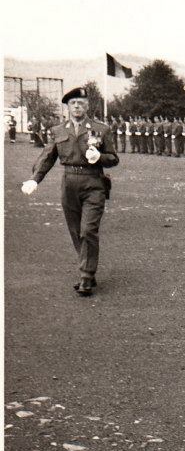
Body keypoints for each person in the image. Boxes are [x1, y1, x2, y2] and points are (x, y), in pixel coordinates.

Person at [21, 87, 119, 296]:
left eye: (81, 102)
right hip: (69, 183)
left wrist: (99, 158)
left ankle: (85, 276)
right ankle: (88, 270)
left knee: (88, 230)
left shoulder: (101, 129)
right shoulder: (58, 131)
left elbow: (113, 158)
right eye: (73, 103)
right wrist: (34, 179)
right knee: (76, 232)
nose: (77, 106)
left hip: (94, 182)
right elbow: (47, 157)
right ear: (67, 106)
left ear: (87, 106)